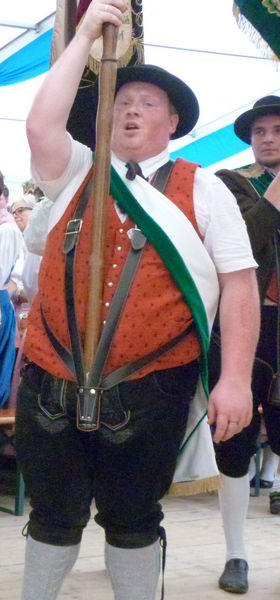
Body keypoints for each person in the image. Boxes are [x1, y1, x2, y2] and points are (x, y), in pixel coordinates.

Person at [18, 1, 259, 598]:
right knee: (51, 516)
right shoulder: (75, 170)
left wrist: (235, 380)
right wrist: (82, 38)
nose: (130, 109)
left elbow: (239, 285)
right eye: (122, 100)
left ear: (173, 122)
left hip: (152, 385)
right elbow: (40, 128)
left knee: (133, 521)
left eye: (147, 103)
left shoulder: (205, 188)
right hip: (52, 380)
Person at [211, 94, 280, 594]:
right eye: (260, 132)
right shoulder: (230, 184)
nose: (268, 138)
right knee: (234, 439)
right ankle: (235, 552)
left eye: (277, 130)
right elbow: (247, 241)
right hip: (248, 327)